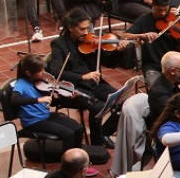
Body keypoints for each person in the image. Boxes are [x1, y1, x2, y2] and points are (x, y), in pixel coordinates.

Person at [48, 9, 125, 147]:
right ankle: (97, 143)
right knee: (99, 107)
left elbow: (111, 63)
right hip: (74, 88)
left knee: (122, 101)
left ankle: (104, 132)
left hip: (94, 84)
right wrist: (82, 76)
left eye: (87, 28)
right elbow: (55, 71)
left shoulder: (91, 42)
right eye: (81, 29)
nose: (86, 32)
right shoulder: (59, 44)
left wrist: (118, 52)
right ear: (71, 28)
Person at [11, 54, 86, 152]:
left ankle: (77, 158)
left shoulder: (40, 82)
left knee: (79, 128)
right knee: (68, 134)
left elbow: (53, 102)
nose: (44, 73)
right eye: (40, 71)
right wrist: (39, 99)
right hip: (33, 121)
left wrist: (68, 98)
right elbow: (14, 100)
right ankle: (67, 163)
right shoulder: (21, 84)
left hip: (46, 116)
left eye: (43, 69)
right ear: (28, 73)